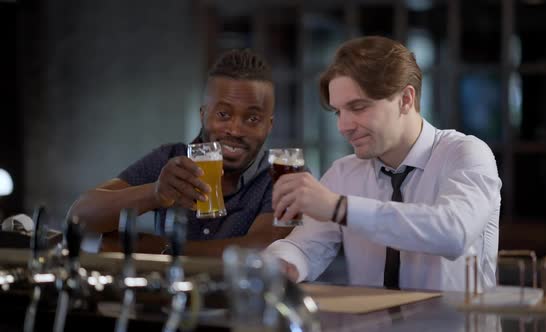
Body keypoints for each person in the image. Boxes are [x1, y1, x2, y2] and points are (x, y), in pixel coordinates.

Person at [265, 36, 501, 292]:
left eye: (358, 107)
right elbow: (305, 246)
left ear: (405, 99)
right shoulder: (344, 173)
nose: (343, 127)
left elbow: (454, 233)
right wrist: (281, 262)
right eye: (338, 112)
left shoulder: (465, 154)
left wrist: (341, 207)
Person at [69, 49, 292, 256]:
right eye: (223, 115)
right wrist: (156, 193)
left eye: (252, 119)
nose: (234, 130)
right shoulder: (169, 159)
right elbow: (79, 217)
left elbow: (267, 249)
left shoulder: (285, 171)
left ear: (269, 125)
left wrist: (159, 248)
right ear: (203, 114)